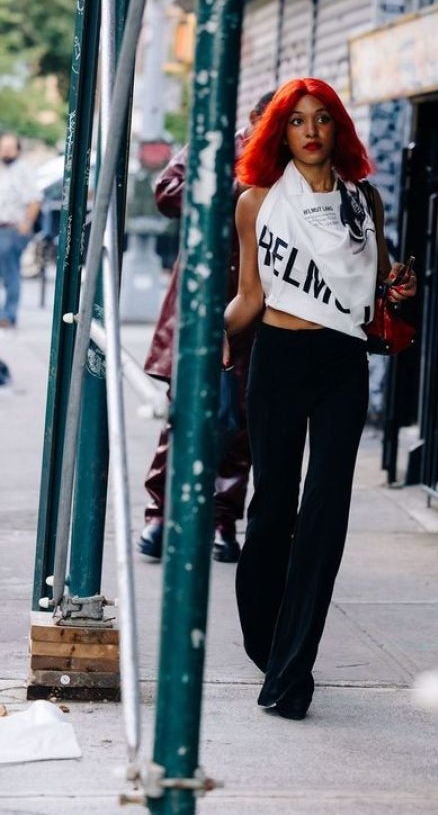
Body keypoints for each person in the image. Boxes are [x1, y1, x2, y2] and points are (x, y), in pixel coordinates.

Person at [224, 77, 416, 720]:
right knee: (273, 509)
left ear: (339, 131)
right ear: (281, 132)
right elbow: (251, 297)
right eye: (298, 121)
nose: (311, 131)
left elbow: (378, 288)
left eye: (323, 119)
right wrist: (211, 333)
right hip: (277, 359)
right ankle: (267, 641)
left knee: (326, 512)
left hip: (341, 362)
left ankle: (292, 670)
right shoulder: (255, 202)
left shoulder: (366, 202)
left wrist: (398, 293)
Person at [139, 91, 275, 563]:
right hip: (203, 303)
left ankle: (222, 519)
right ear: (256, 118)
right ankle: (160, 514)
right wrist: (231, 187)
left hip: (258, 308)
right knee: (184, 414)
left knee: (241, 422)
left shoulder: (287, 162)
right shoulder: (212, 148)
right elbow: (166, 193)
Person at [0, 133, 41, 327]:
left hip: (11, 229)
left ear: (18, 150)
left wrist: (25, 225)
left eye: (10, 147)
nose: (6, 151)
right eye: (3, 147)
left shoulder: (23, 170)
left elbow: (34, 199)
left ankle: (8, 315)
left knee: (10, 272)